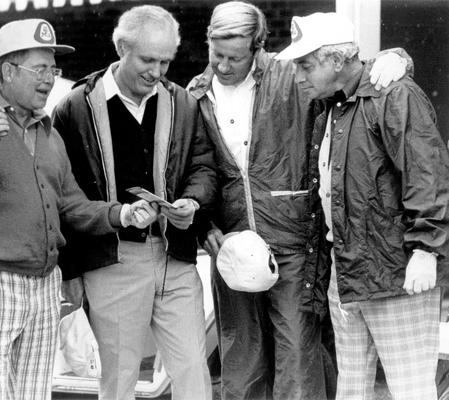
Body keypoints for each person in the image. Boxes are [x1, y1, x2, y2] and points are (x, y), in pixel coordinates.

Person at [187, 2, 411, 399]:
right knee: (241, 356)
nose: (222, 66)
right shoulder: (196, 94)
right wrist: (206, 226)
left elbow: (342, 69)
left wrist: (395, 57)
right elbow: (196, 167)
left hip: (293, 240)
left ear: (258, 48)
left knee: (298, 355)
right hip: (235, 248)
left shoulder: (291, 74)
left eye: (234, 57)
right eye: (215, 55)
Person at [0, 18, 156, 400]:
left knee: (34, 395)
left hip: (44, 284)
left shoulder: (49, 133)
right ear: (9, 70)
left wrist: (121, 214)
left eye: (52, 69)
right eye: (40, 68)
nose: (49, 79)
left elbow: (71, 205)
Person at [277, 11, 449, 400]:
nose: (299, 75)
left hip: (397, 272)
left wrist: (426, 249)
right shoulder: (333, 106)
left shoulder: (395, 95)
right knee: (352, 390)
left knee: (410, 391)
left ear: (336, 60)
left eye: (306, 64)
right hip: (347, 271)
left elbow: (428, 175)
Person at [52, 5, 217, 400]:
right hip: (113, 261)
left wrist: (192, 203)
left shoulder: (183, 103)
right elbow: (62, 197)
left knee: (194, 371)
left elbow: (204, 168)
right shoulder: (74, 108)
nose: (157, 71)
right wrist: (71, 272)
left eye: (165, 61)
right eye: (147, 59)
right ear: (121, 48)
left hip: (175, 259)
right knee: (120, 378)